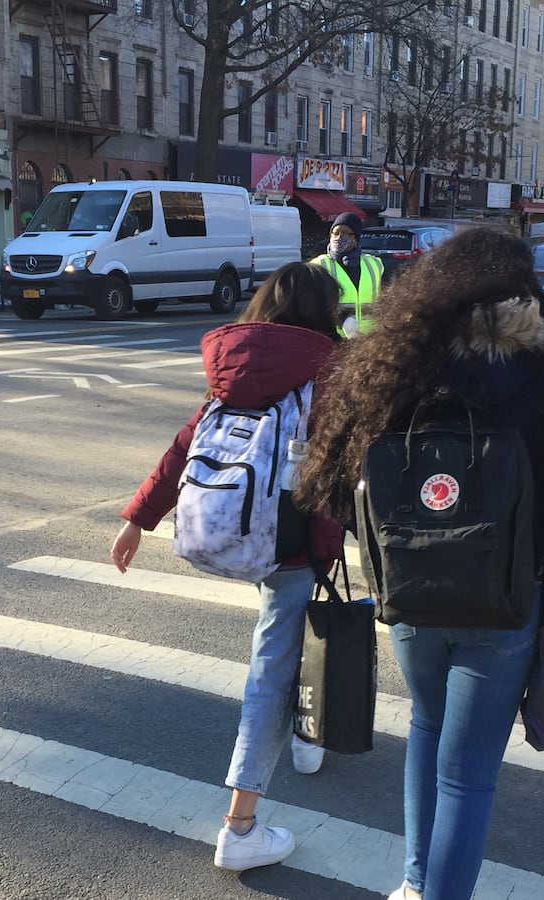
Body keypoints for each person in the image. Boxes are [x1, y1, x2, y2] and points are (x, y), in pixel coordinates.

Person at [293, 228, 544, 900]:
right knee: (467, 774)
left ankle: (415, 884)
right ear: (522, 293)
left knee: (426, 727)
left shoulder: (398, 365)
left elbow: (336, 479)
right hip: (505, 601)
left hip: (411, 594)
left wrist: (387, 551)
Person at [108, 261, 344, 873]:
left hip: (238, 527)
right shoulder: (330, 373)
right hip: (293, 544)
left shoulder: (232, 366)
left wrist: (139, 517)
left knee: (285, 643)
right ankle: (240, 825)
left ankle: (306, 733)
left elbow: (186, 445)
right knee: (272, 667)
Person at [310, 212, 384, 337]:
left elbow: (386, 300)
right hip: (333, 339)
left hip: (370, 339)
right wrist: (342, 319)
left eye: (346, 233)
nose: (339, 238)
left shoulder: (374, 264)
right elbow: (313, 304)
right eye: (336, 233)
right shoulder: (319, 265)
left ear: (356, 238)